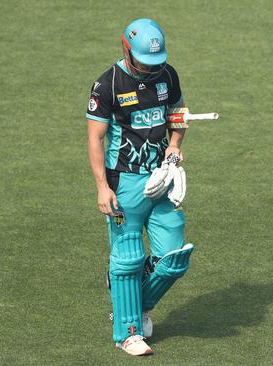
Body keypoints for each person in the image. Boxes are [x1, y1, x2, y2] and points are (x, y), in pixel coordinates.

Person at [86, 18, 194, 356]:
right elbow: (95, 139)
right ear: (126, 49)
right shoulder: (108, 84)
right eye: (145, 64)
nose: (152, 70)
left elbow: (177, 113)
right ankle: (128, 331)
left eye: (156, 63)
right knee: (128, 258)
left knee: (173, 258)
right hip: (124, 182)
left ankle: (128, 299)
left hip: (160, 177)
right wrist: (103, 187)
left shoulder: (168, 75)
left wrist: (175, 144)